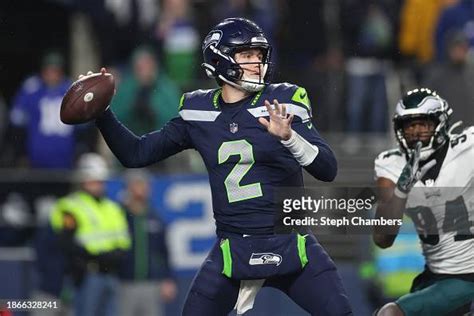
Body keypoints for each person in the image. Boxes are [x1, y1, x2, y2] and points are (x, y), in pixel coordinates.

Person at [91, 18, 352, 315]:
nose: (257, 63)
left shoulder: (282, 102)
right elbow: (136, 154)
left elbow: (328, 169)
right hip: (233, 249)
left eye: (258, 55)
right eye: (246, 55)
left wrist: (290, 137)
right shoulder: (197, 111)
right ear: (220, 60)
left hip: (291, 242)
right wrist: (103, 114)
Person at [373, 88, 474, 316]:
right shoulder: (392, 164)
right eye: (410, 125)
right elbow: (382, 238)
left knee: (390, 314)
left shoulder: (467, 148)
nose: (416, 132)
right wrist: (401, 190)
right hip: (434, 276)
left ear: (440, 123)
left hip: (468, 276)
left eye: (423, 124)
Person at [50, 153, 131, 316]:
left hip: (112, 273)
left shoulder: (112, 207)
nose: (97, 185)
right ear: (83, 180)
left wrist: (114, 255)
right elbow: (66, 242)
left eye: (100, 181)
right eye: (93, 180)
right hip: (88, 274)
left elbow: (124, 240)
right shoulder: (70, 206)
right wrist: (93, 256)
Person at [119, 169, 177, 316]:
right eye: (138, 184)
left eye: (145, 184)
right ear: (129, 187)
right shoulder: (119, 216)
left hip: (151, 284)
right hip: (124, 283)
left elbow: (164, 251)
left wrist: (168, 279)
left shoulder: (154, 217)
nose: (143, 188)